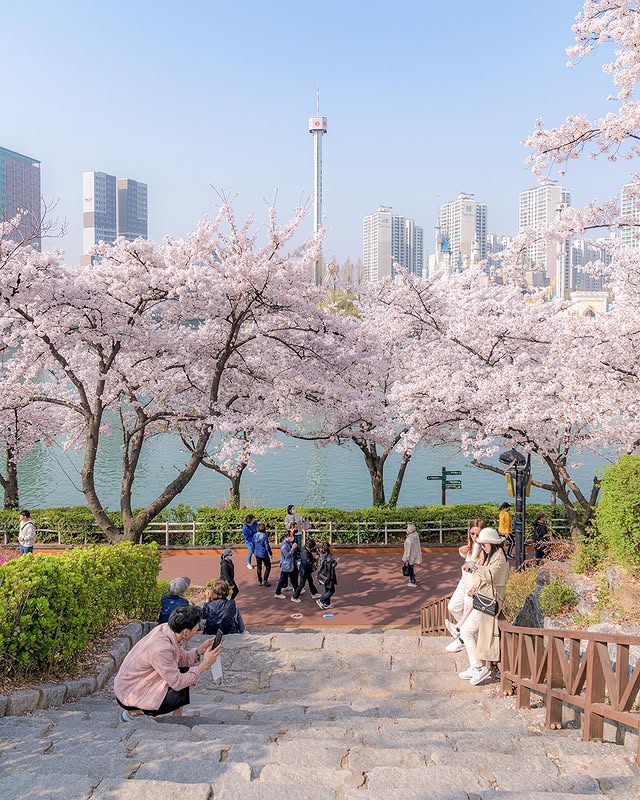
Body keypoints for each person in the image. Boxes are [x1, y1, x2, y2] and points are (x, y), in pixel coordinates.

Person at [115, 604, 221, 721]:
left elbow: (179, 658)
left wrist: (199, 651)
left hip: (135, 683)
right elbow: (177, 683)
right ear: (185, 632)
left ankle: (177, 717)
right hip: (129, 693)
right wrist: (204, 665)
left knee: (185, 673)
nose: (198, 630)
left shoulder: (166, 629)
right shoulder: (162, 649)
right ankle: (132, 713)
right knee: (179, 694)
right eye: (196, 627)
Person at [458, 527, 510, 686]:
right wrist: (475, 587)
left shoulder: (499, 558)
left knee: (466, 631)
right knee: (468, 631)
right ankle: (476, 666)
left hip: (491, 600)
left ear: (492, 543)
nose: (482, 547)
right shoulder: (492, 555)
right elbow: (485, 576)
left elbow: (489, 575)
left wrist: (473, 566)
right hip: (485, 598)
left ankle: (479, 667)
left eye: (484, 544)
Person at [445, 519, 485, 653]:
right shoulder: (471, 545)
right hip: (463, 582)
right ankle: (465, 631)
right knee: (453, 606)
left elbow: (482, 569)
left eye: (478, 534)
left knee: (468, 609)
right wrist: (461, 550)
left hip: (473, 585)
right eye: (472, 533)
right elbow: (464, 554)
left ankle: (463, 634)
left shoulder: (485, 549)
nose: (474, 537)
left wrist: (472, 566)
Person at [291, 538, 321, 603]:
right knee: (302, 584)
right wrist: (315, 559)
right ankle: (294, 597)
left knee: (310, 581)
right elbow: (309, 562)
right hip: (304, 571)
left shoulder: (306, 548)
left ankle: (314, 593)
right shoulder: (305, 552)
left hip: (306, 570)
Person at [274, 529, 299, 598]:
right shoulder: (284, 545)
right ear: (287, 536)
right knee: (284, 579)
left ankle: (296, 590)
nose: (292, 537)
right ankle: (278, 592)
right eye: (291, 536)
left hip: (289, 564)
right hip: (286, 565)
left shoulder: (288, 542)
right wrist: (293, 548)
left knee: (291, 578)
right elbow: (287, 555)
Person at [316, 541, 338, 610]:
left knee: (327, 589)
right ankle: (321, 600)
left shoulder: (322, 555)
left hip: (324, 575)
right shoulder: (329, 556)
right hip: (329, 576)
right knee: (331, 590)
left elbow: (320, 564)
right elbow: (331, 566)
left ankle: (327, 603)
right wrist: (335, 562)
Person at [402, 523, 422, 587]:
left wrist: (406, 559)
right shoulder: (416, 535)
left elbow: (408, 550)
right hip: (415, 554)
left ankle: (413, 581)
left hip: (410, 556)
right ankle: (412, 579)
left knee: (410, 568)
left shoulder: (408, 539)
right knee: (411, 567)